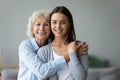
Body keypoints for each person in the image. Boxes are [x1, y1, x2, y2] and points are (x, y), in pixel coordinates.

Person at [37, 6, 88, 80]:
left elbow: (81, 78)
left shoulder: (79, 46)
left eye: (63, 22)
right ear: (50, 24)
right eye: (54, 22)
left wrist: (72, 53)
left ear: (69, 25)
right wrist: (71, 54)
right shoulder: (43, 51)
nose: (58, 26)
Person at [17, 10, 69, 80]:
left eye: (46, 25)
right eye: (38, 24)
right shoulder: (25, 46)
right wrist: (68, 56)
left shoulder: (52, 47)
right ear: (32, 29)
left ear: (51, 29)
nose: (41, 28)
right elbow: (41, 71)